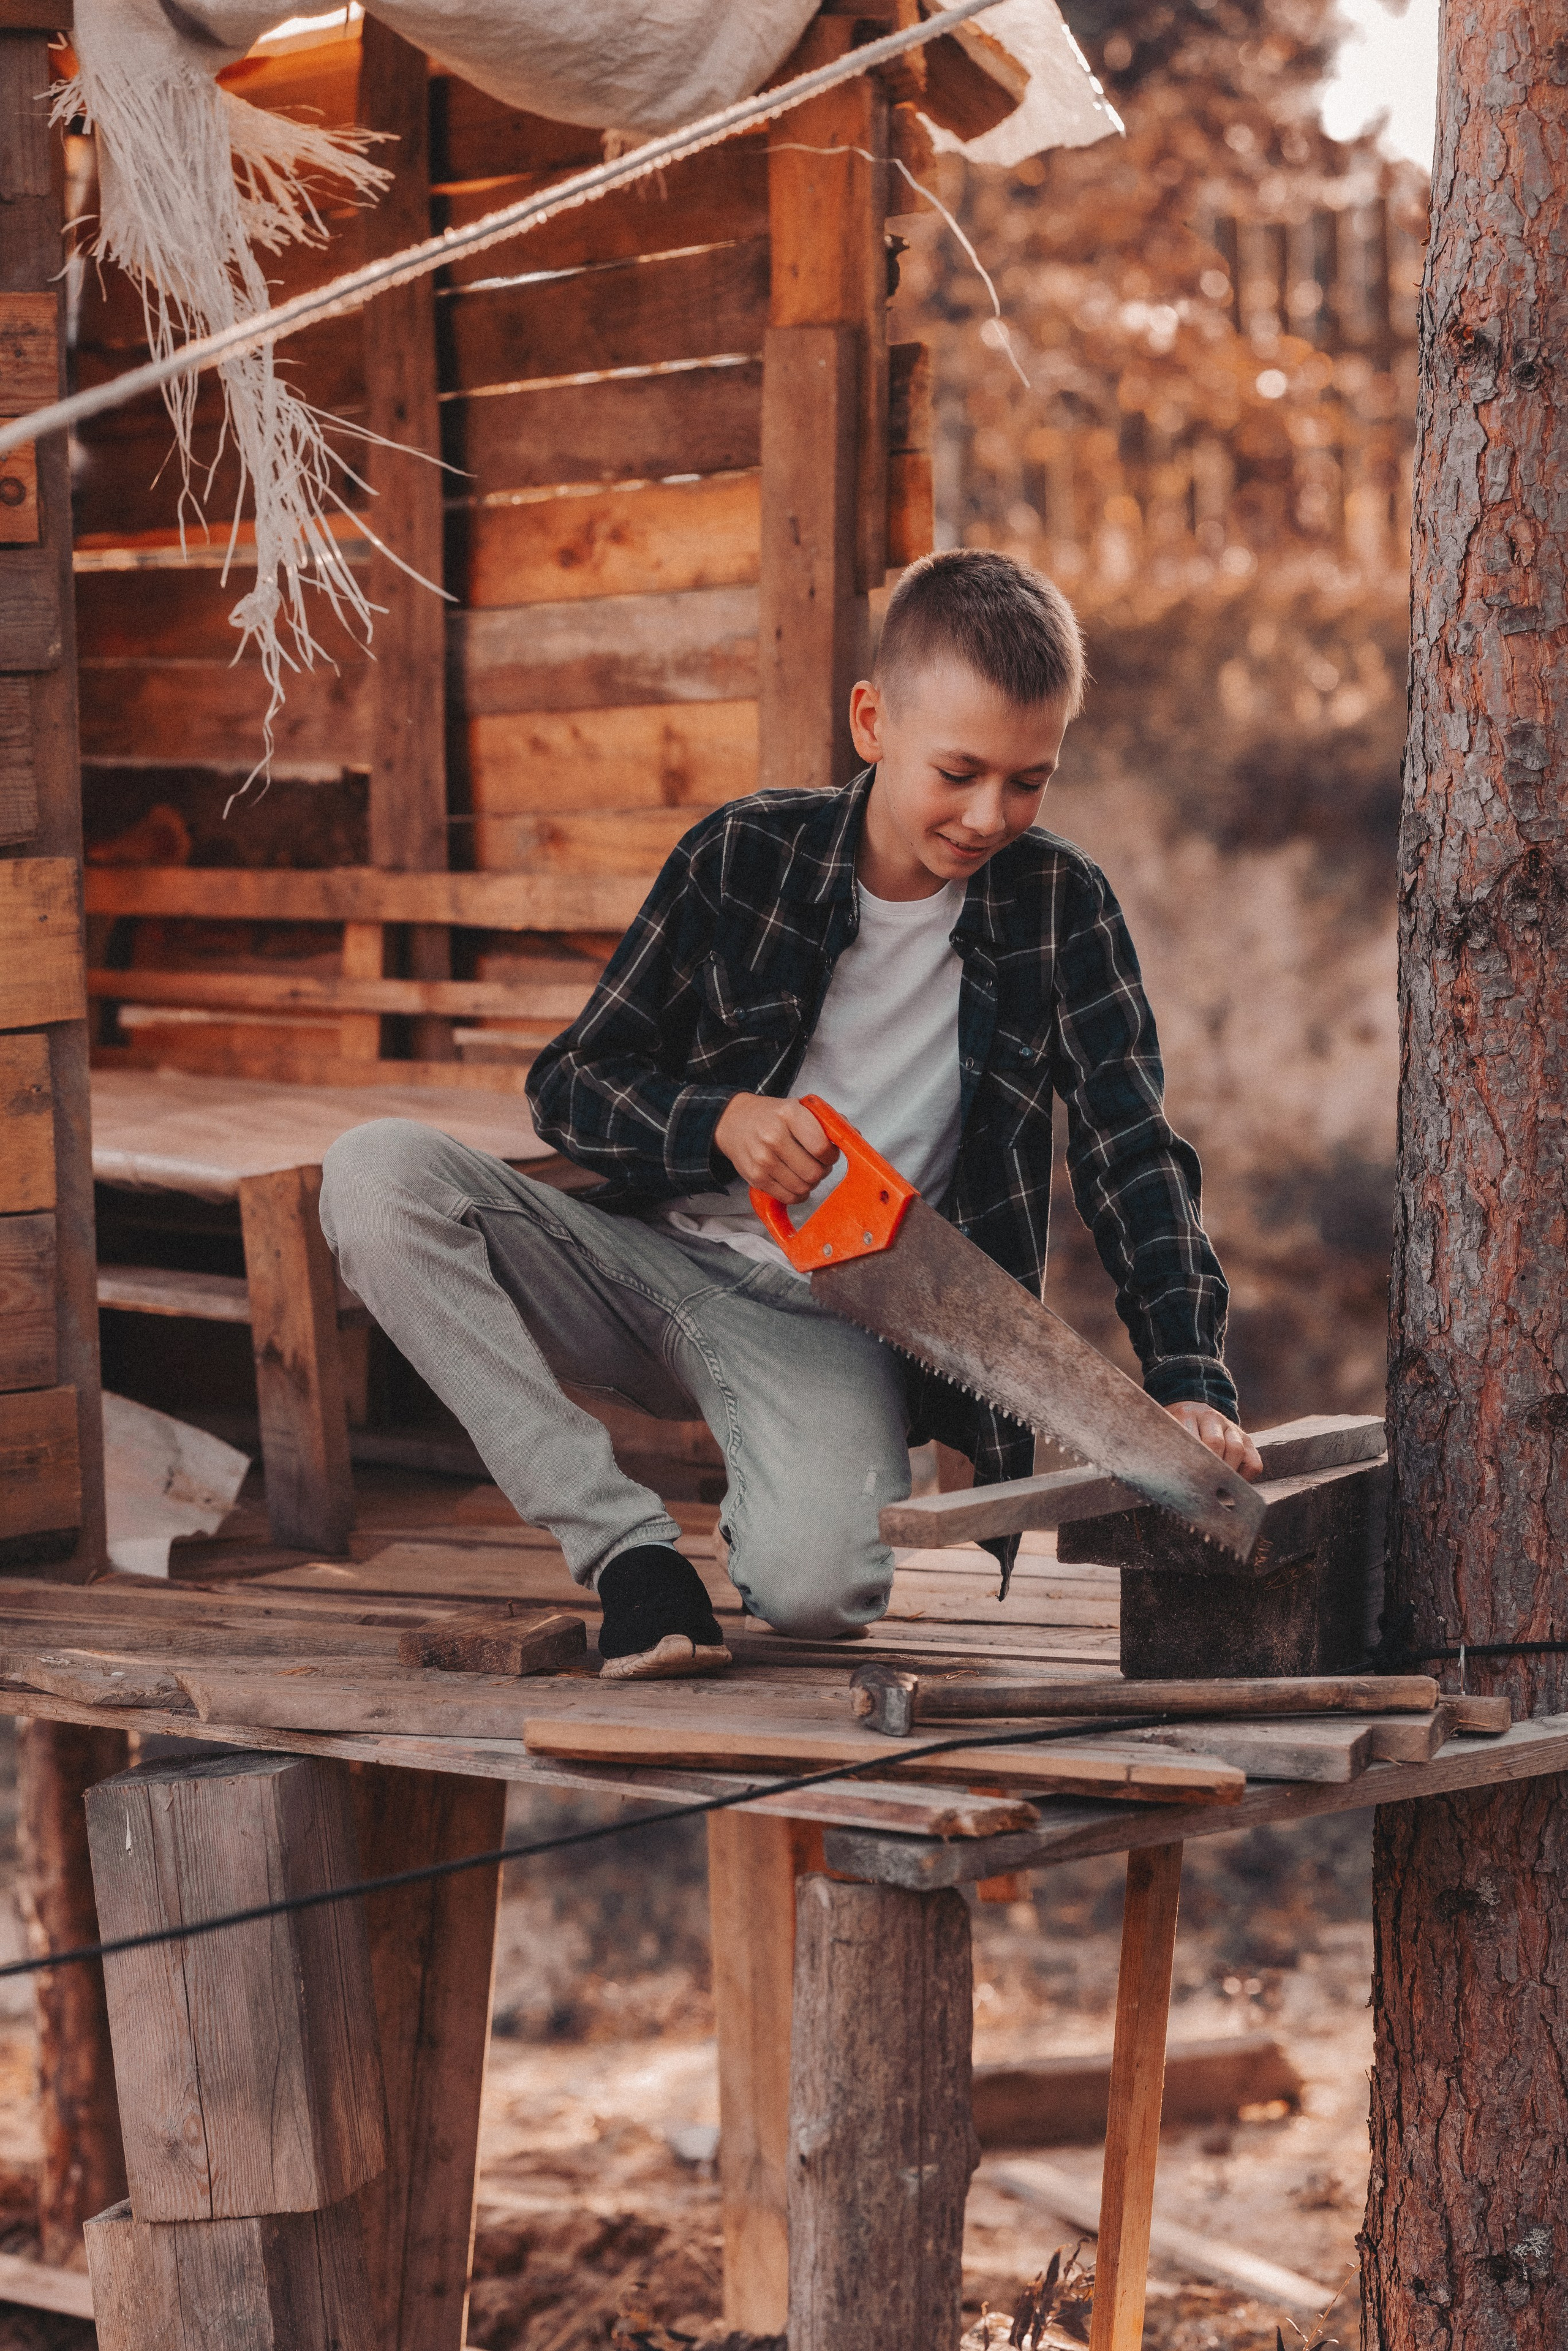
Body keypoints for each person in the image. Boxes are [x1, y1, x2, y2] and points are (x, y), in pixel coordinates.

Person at [319, 548, 1262, 1680]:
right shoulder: (743, 855)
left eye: (1028, 780)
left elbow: (1135, 1159)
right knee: (375, 1177)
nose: (987, 814)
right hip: (644, 1261)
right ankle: (628, 1557)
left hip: (835, 1315)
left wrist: (1187, 1387)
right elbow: (571, 1083)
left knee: (822, 1592)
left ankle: (773, 1485)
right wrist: (714, 1119)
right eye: (958, 771)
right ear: (872, 721)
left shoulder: (1064, 907)